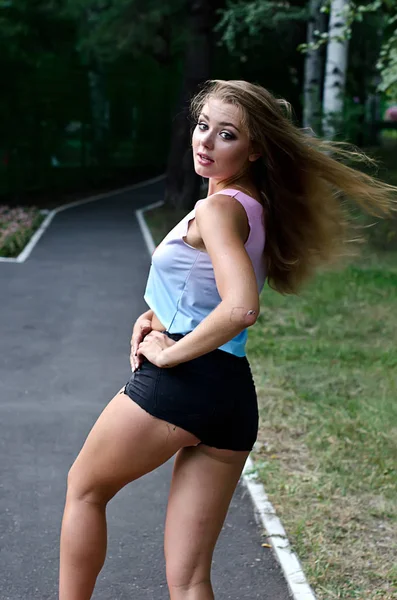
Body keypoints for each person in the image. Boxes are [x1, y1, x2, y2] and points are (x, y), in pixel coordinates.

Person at [59, 79, 397, 600]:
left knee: (84, 491)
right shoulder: (250, 205)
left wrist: (170, 352)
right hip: (231, 398)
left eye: (226, 134)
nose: (206, 142)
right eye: (202, 127)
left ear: (255, 149)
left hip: (182, 386)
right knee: (190, 579)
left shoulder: (219, 210)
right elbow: (203, 286)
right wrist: (154, 313)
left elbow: (240, 306)